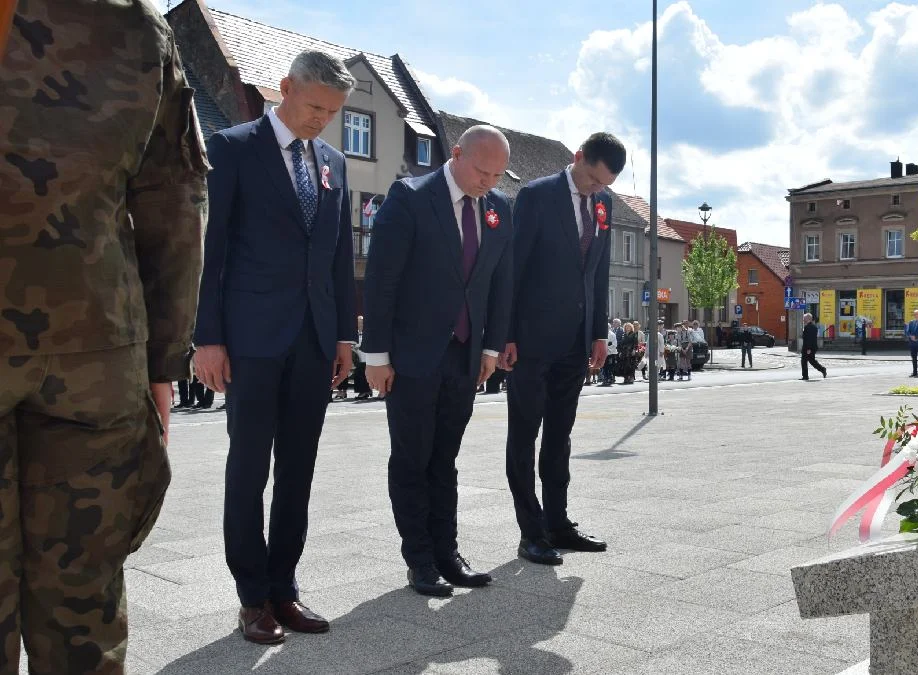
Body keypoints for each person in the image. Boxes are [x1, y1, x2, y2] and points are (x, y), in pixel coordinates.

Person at [1, 1, 207, 670]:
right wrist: (162, 363)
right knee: (83, 610)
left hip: (95, 352)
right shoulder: (136, 24)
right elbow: (174, 199)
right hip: (95, 346)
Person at [193, 51, 357, 644]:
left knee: (299, 469)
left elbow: (337, 255)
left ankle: (284, 588)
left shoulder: (334, 163)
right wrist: (206, 337)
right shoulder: (234, 148)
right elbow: (213, 249)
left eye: (333, 112)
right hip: (251, 340)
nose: (322, 120)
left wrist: (343, 335)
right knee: (248, 467)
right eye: (315, 106)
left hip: (314, 340)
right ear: (284, 88)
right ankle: (251, 595)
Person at [362, 125, 513, 596]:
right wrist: (377, 356)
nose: (488, 182)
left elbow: (497, 284)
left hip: (465, 356)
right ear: (456, 153)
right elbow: (381, 281)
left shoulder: (498, 209)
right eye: (482, 171)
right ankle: (420, 558)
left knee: (445, 458)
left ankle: (448, 552)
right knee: (412, 458)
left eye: (497, 175)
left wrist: (490, 347)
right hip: (411, 356)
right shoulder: (409, 198)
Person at [500, 132, 627, 566]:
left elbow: (598, 272)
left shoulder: (604, 205)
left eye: (604, 184)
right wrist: (507, 333)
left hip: (576, 341)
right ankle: (530, 531)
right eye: (592, 179)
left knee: (560, 437)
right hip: (532, 340)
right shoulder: (537, 196)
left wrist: (597, 332)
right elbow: (513, 266)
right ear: (578, 158)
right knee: (524, 436)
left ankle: (558, 522)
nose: (596, 189)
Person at [800, 313, 827, 380]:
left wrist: (808, 348)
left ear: (808, 319)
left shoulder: (808, 327)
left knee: (804, 361)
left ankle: (805, 376)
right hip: (812, 347)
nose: (803, 320)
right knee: (812, 361)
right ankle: (822, 369)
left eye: (804, 319)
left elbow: (810, 338)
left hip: (808, 348)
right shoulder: (813, 327)